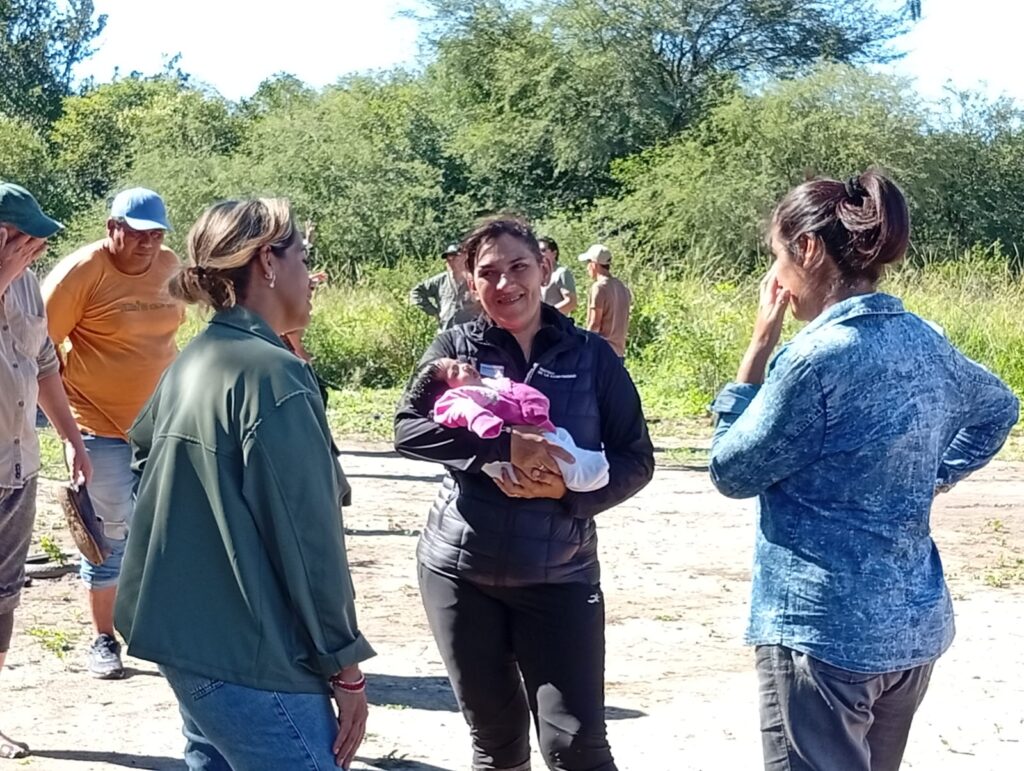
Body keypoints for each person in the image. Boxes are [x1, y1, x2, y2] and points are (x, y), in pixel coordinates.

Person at [708, 170, 1019, 771]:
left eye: (777, 256)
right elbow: (999, 407)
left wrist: (757, 351)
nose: (774, 277)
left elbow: (731, 470)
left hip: (823, 631)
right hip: (910, 628)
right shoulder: (923, 340)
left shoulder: (815, 360)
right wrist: (931, 474)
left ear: (807, 249)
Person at [115, 198, 373, 770]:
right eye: (303, 256)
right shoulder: (273, 375)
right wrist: (345, 667)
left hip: (185, 639)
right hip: (250, 655)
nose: (313, 274)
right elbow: (309, 543)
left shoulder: (196, 357)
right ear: (267, 262)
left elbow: (142, 464)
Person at [395, 216, 654, 771]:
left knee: (577, 747)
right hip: (461, 574)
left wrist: (570, 493)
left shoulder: (592, 355)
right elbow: (408, 430)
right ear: (470, 282)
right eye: (488, 273)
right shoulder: (455, 348)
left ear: (544, 267)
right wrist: (502, 446)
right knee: (496, 746)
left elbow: (637, 459)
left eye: (518, 267)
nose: (505, 283)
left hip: (560, 575)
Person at [41, 187, 184, 680]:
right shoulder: (81, 273)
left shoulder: (169, 266)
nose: (149, 244)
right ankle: (104, 639)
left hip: (163, 426)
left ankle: (159, 631)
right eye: (139, 234)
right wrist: (67, 428)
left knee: (165, 530)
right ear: (112, 228)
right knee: (109, 537)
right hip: (98, 428)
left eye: (157, 234)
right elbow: (39, 348)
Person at [1, 182, 92, 760]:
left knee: (3, 600)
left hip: (18, 466)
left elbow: (42, 362)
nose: (37, 249)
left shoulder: (29, 282)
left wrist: (71, 438)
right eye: (27, 238)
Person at [424, 357, 610, 492]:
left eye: (459, 363)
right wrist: (485, 423)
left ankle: (584, 463)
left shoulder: (493, 384)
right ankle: (583, 475)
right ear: (444, 392)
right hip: (500, 456)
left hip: (535, 432)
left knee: (559, 437)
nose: (464, 366)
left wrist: (534, 407)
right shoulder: (455, 397)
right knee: (553, 455)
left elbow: (522, 391)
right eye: (455, 372)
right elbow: (464, 409)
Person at [409, 243, 481, 329]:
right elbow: (416, 292)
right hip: (446, 330)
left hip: (470, 331)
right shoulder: (440, 280)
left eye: (454, 257)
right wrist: (433, 312)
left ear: (464, 257)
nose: (450, 261)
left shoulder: (475, 280)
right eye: (448, 258)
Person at [579, 244, 631, 359]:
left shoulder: (599, 288)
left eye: (588, 262)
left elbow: (595, 324)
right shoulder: (622, 287)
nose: (587, 267)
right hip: (619, 353)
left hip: (601, 354)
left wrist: (584, 349)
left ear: (594, 264)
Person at [538, 236, 577, 314]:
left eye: (543, 250)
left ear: (554, 253)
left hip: (555, 320)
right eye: (537, 251)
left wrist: (548, 313)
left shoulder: (561, 273)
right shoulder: (539, 275)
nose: (540, 254)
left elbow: (571, 302)